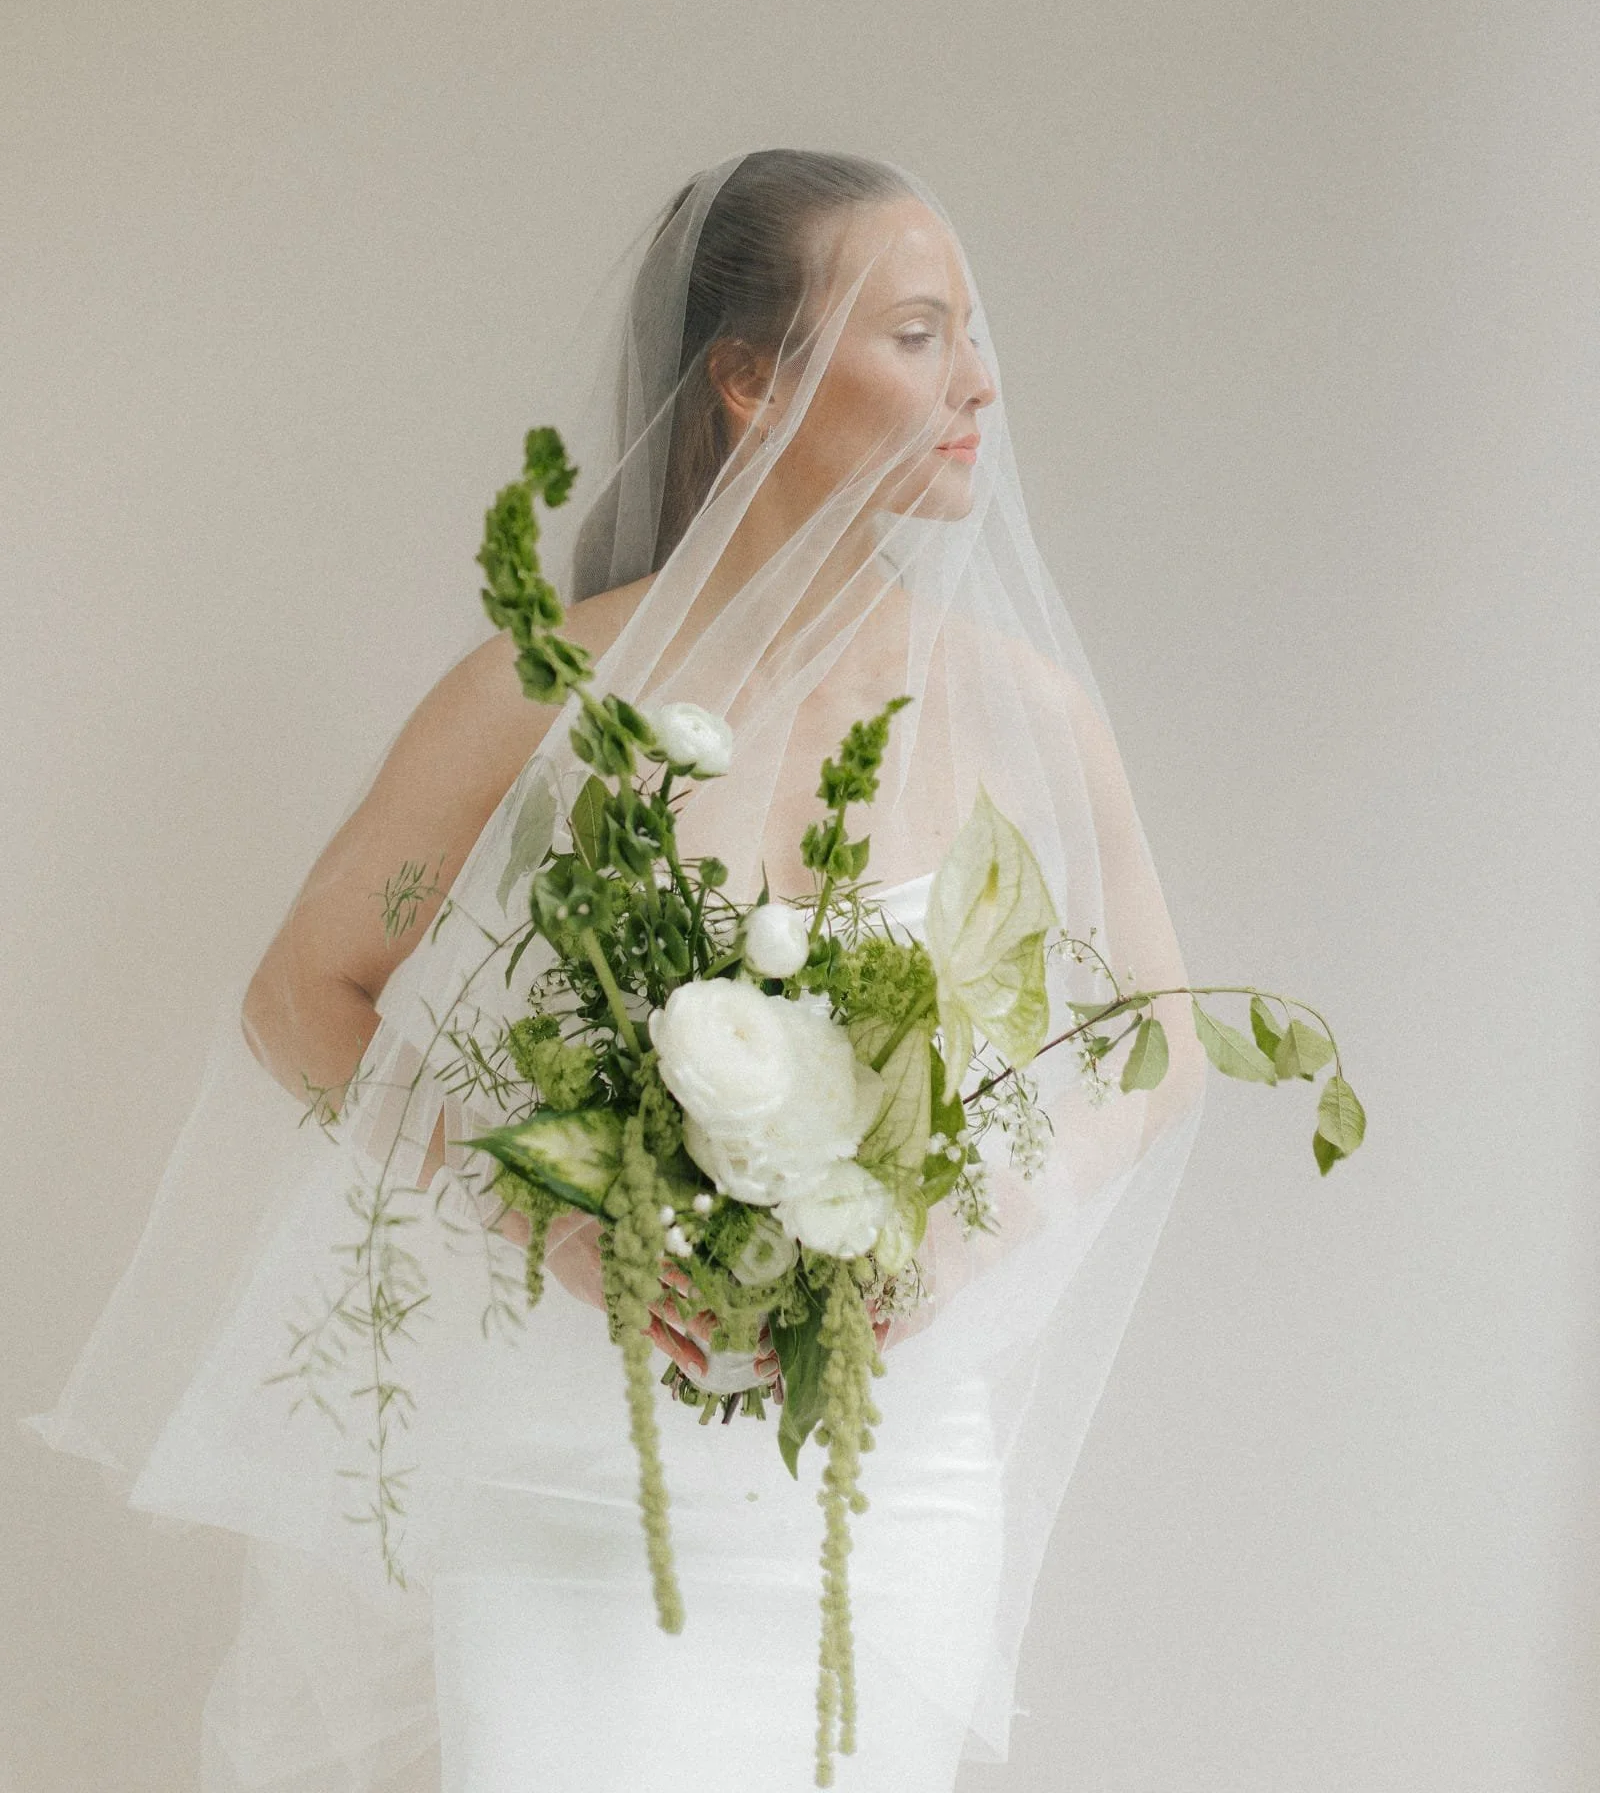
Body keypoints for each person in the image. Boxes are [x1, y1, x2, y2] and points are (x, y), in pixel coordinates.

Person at [30, 149, 1207, 1792]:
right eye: (921, 335)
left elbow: (1158, 1046)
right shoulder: (544, 691)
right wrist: (558, 1216)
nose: (980, 382)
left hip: (890, 1475)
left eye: (970, 333)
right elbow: (302, 992)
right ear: (748, 379)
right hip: (578, 1478)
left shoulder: (1019, 705)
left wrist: (950, 1240)